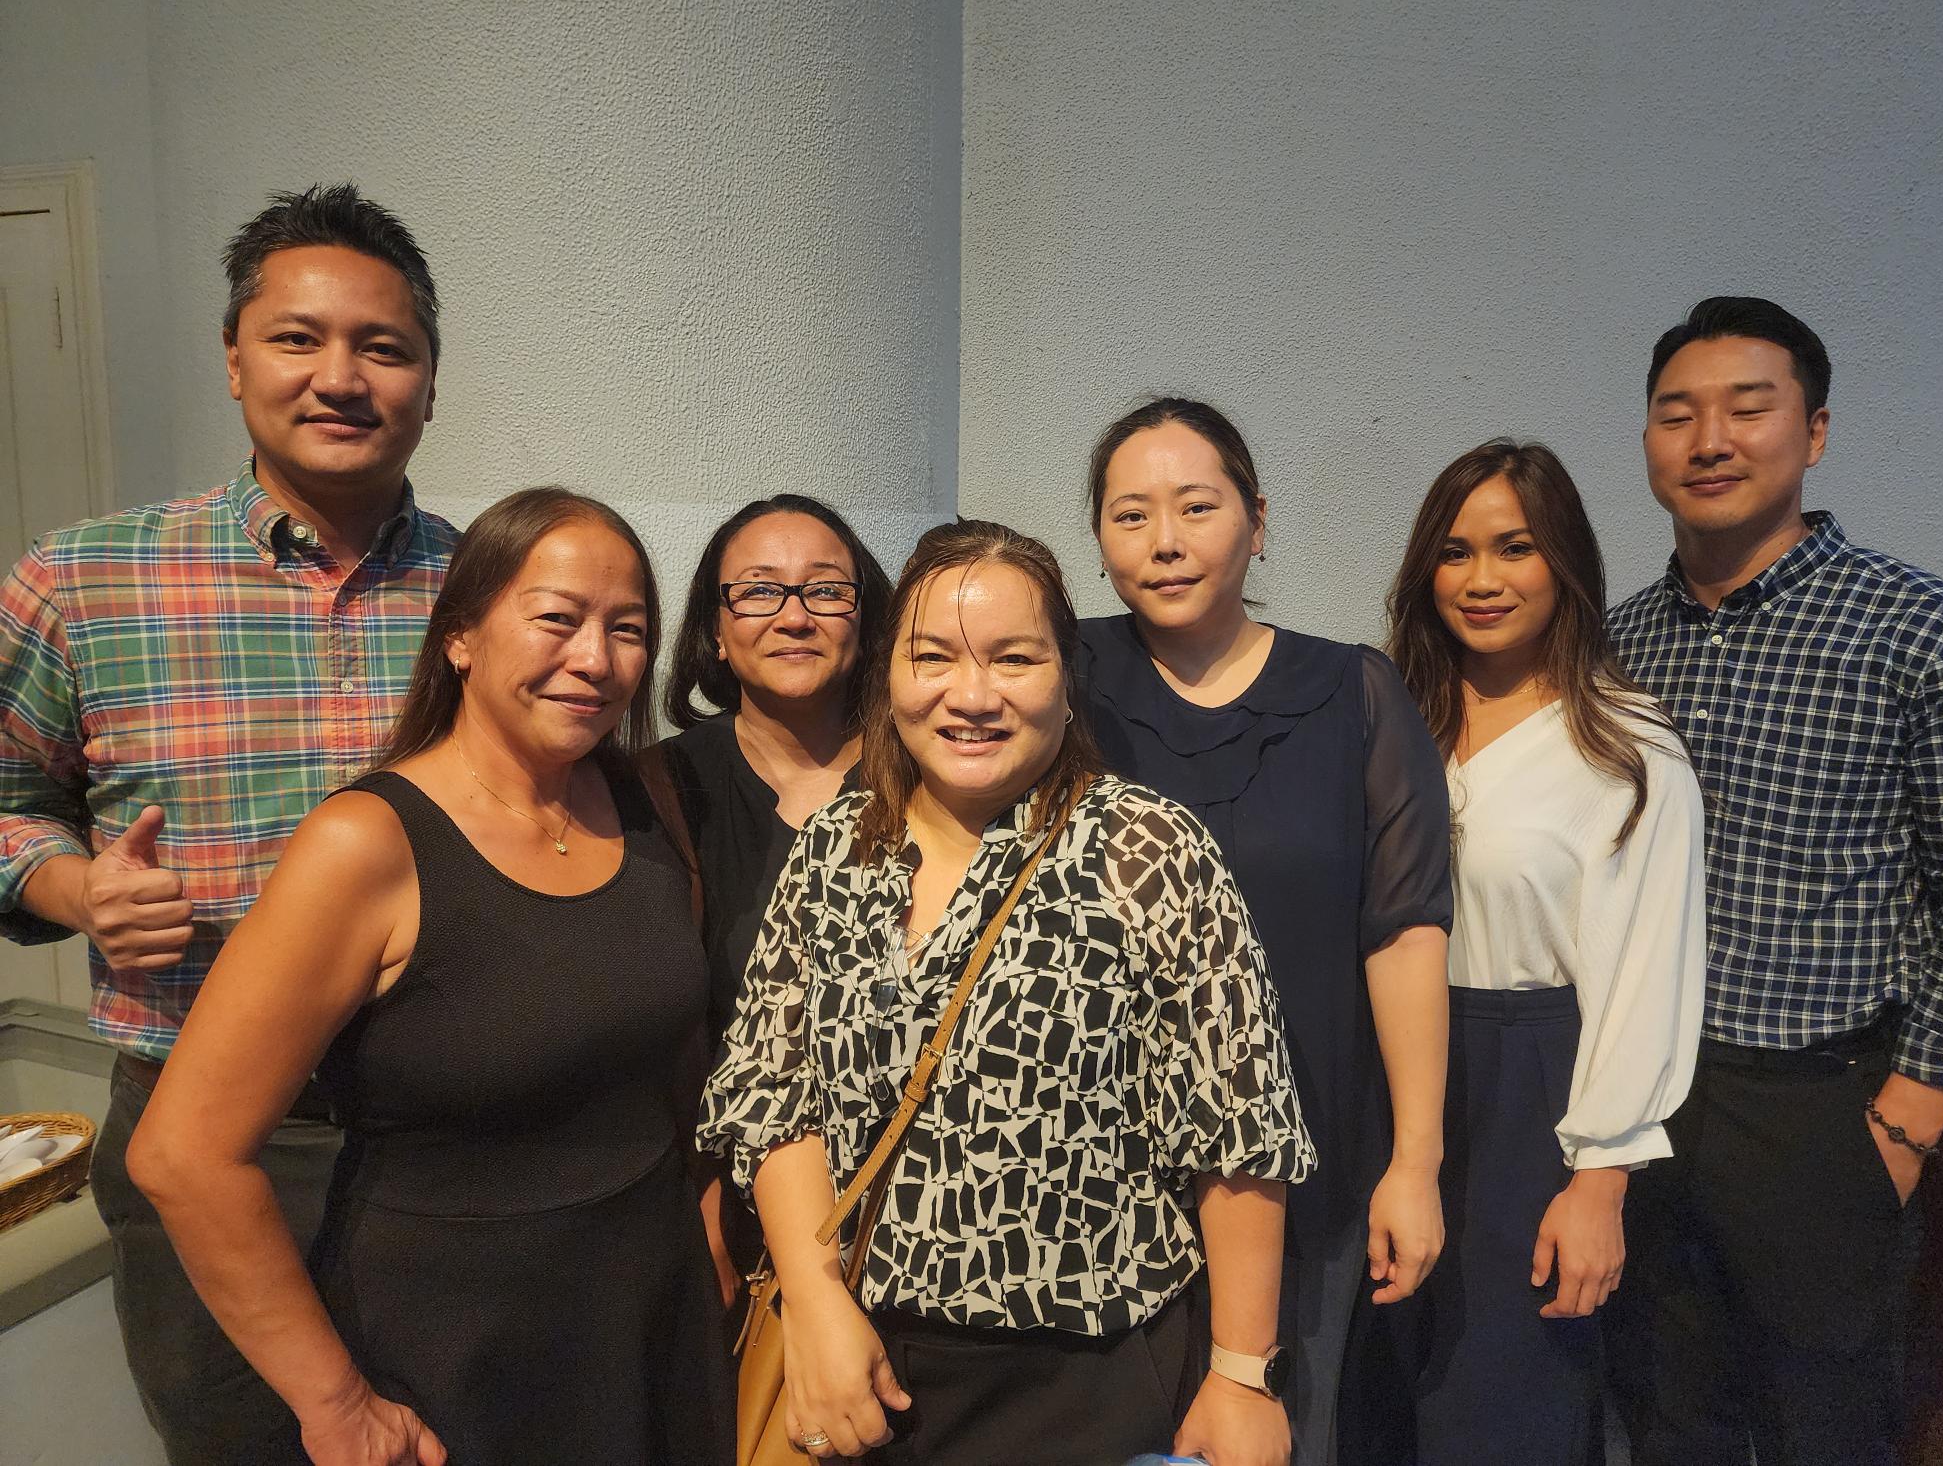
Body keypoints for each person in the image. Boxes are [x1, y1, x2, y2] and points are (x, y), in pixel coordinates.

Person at [127, 489, 727, 1466]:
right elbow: (184, 1154)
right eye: (556, 619)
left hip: (648, 1325)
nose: (595, 658)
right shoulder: (364, 845)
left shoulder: (637, 796)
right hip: (457, 1357)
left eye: (627, 629)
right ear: (459, 636)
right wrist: (334, 1404)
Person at [700, 520, 1315, 1466]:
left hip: (1088, 1380)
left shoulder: (1147, 849)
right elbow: (775, 1097)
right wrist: (817, 1308)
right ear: (889, 678)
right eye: (933, 657)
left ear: (1066, 678)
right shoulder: (836, 846)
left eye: (1013, 658)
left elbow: (1237, 1129)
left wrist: (1241, 1372)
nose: (971, 695)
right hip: (864, 1366)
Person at [0, 184, 455, 1464]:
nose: (340, 376)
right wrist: (75, 889)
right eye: (299, 338)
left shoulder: (489, 589)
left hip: (448, 1127)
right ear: (235, 357)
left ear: (429, 376)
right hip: (206, 1135)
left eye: (384, 345)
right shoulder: (85, 578)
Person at [1602, 296, 1943, 1465]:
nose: (1708, 439)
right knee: (1668, 1418)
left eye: (1746, 408)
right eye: (1675, 414)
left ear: (1813, 432)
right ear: (1646, 444)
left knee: (1827, 1431)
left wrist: (1901, 1131)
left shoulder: (1928, 633)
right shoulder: (1619, 644)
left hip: (1826, 1109)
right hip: (1645, 1110)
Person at [1073, 397, 1453, 1463]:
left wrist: (1413, 1160)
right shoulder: (1059, 682)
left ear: (1255, 518)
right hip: (1107, 1174)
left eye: (1195, 506)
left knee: (1294, 1432)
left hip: (1311, 1157)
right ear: (1096, 540)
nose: (1164, 540)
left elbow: (1405, 933)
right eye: (1129, 514)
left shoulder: (1353, 692)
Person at [1359, 438, 1705, 1464]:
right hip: (1374, 1075)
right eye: (1455, 551)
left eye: (1513, 548)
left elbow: (1645, 980)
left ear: (1563, 562)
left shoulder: (1624, 748)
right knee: (1369, 1392)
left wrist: (1599, 1184)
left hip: (1525, 1092)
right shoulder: (1386, 720)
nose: (1480, 579)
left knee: (1498, 1399)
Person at [657, 493, 892, 1303]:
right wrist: (697, 1197)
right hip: (715, 1221)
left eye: (826, 589)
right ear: (715, 632)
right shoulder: (656, 793)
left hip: (905, 1212)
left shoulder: (933, 781)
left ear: (866, 621)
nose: (794, 615)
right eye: (758, 591)